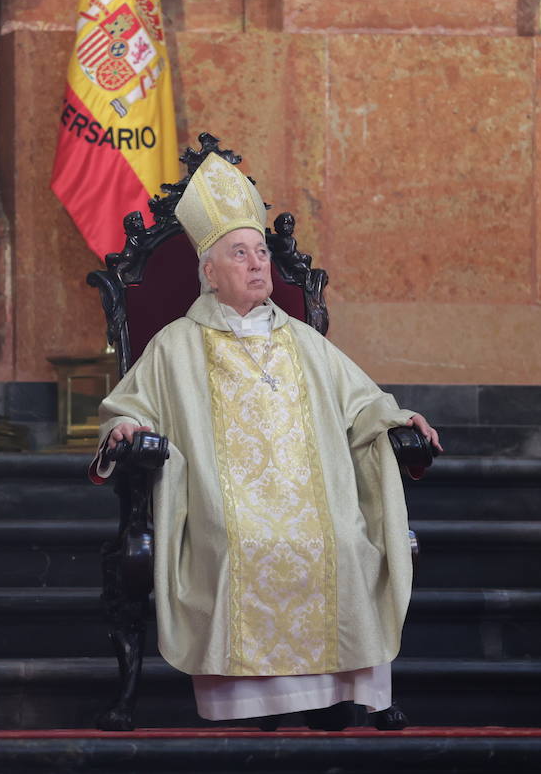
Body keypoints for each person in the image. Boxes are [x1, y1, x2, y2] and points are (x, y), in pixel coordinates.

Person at [98, 153, 440, 728]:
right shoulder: (176, 345)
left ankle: (333, 694)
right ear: (209, 270)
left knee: (343, 539)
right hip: (223, 503)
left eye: (261, 252)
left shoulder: (304, 340)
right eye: (240, 253)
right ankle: (253, 703)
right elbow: (127, 408)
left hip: (315, 499)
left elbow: (362, 402)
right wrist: (128, 427)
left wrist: (398, 420)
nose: (258, 264)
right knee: (238, 539)